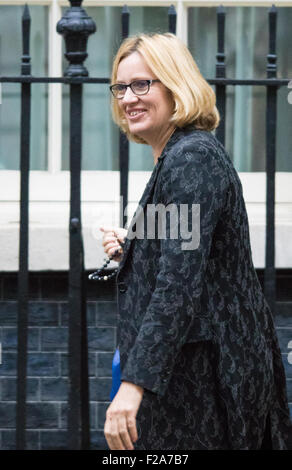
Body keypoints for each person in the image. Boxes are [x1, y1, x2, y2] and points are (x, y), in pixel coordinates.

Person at [100, 33, 292, 450]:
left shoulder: (191, 158)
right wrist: (132, 243)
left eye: (142, 84)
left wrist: (133, 384)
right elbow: (184, 244)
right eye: (121, 87)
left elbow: (179, 280)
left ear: (176, 85)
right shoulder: (179, 155)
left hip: (204, 382)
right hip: (191, 376)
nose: (128, 97)